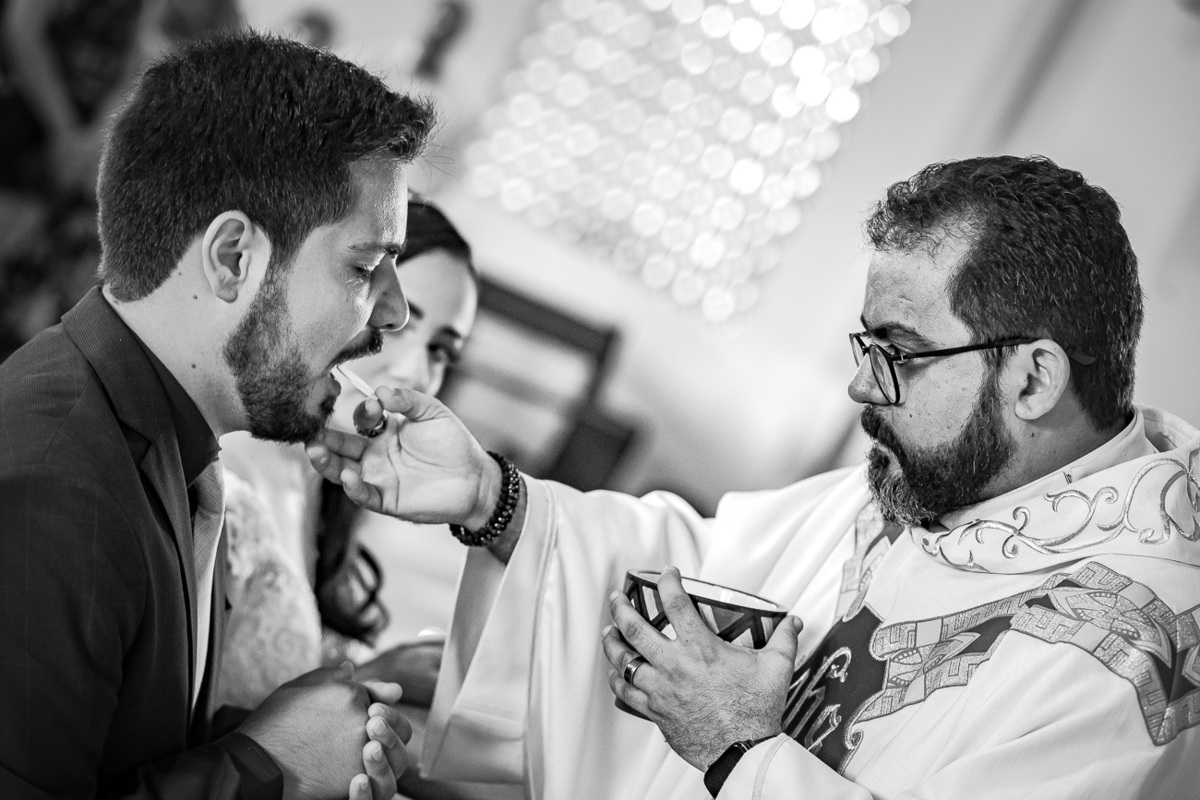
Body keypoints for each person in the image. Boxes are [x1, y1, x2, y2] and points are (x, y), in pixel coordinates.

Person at [306, 155, 1200, 798]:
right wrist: (493, 499)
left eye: (898, 354)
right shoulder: (928, 483)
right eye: (866, 345)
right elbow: (704, 565)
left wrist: (742, 750)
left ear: (1033, 379)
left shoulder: (1135, 659)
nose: (859, 384)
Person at [0, 32, 435, 799]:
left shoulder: (168, 433)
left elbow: (120, 740)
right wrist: (269, 764)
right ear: (234, 256)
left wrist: (285, 726)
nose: (396, 314)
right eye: (366, 267)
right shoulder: (57, 486)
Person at [216, 197, 479, 711]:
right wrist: (368, 678)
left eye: (440, 351)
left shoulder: (321, 474)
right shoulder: (228, 475)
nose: (415, 376)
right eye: (396, 325)